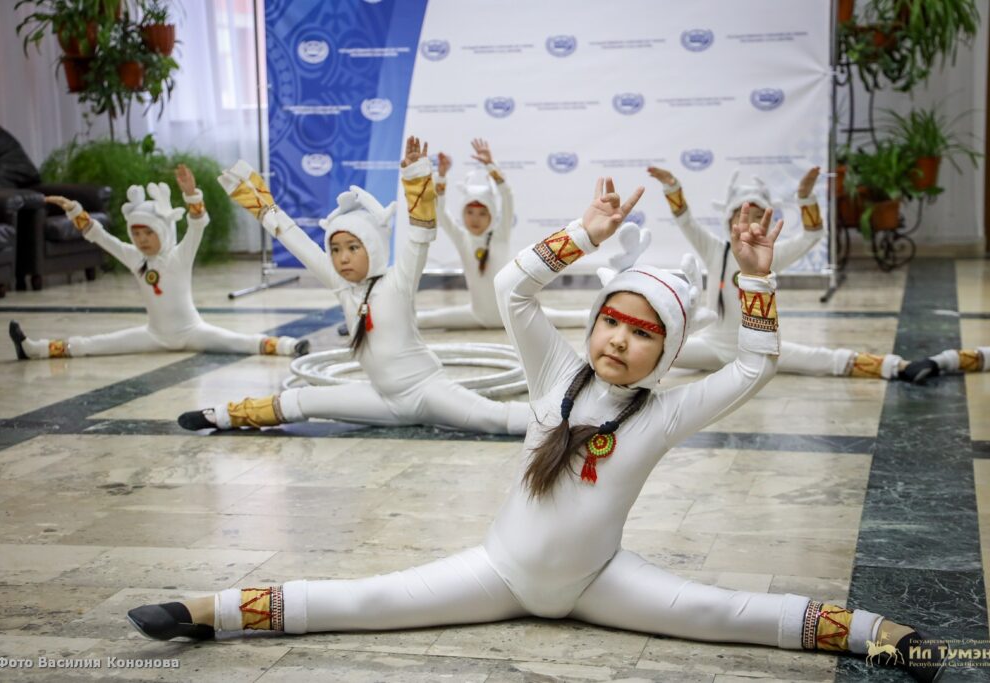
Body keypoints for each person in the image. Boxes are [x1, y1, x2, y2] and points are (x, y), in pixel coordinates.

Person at [132, 175, 943, 682]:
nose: (618, 340)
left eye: (642, 333)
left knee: (731, 614)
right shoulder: (556, 372)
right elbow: (515, 289)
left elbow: (754, 366)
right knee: (370, 597)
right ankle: (213, 609)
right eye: (611, 321)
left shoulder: (664, 412)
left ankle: (878, 633)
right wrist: (584, 235)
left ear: (666, 352)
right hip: (498, 572)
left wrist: (758, 281)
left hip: (603, 583)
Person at [177, 137, 529, 436]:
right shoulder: (342, 287)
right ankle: (223, 415)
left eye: (352, 248)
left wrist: (416, 178)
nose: (342, 258)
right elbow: (298, 243)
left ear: (372, 248)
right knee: (305, 399)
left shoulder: (398, 280)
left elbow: (420, 236)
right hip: (382, 400)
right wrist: (261, 206)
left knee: (494, 418)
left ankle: (558, 417)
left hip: (427, 390)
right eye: (335, 249)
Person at [8, 164, 307, 360]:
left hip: (193, 332)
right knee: (95, 344)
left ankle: (289, 345)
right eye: (136, 234)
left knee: (239, 342)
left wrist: (191, 195)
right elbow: (99, 236)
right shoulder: (134, 257)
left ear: (163, 231)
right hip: (153, 335)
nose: (141, 240)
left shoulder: (179, 256)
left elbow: (197, 225)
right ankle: (35, 349)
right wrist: (74, 210)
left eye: (148, 233)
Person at [647, 166, 906, 380]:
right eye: (744, 215)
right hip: (713, 347)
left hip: (761, 350)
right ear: (729, 221)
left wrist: (805, 198)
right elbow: (686, 222)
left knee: (818, 360)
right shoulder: (715, 250)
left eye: (759, 215)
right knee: (654, 350)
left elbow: (811, 235)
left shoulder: (771, 254)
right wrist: (672, 187)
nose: (751, 222)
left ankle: (896, 366)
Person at [416, 138, 587, 330]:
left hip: (514, 315)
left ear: (491, 215)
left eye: (482, 213)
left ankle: (594, 316)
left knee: (569, 319)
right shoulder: (462, 238)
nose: (475, 219)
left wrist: (491, 166)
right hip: (478, 316)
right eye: (470, 212)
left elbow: (507, 198)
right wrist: (441, 177)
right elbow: (439, 211)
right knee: (423, 320)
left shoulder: (500, 234)